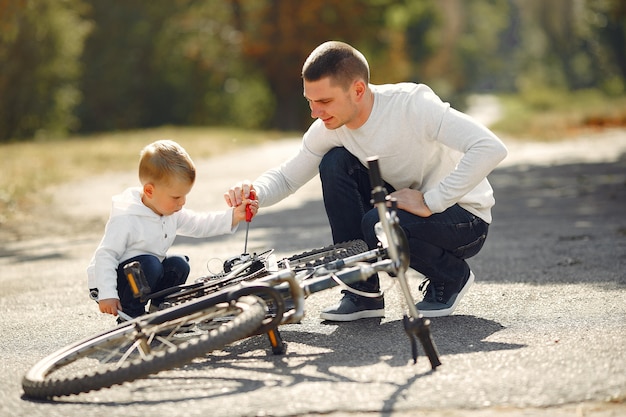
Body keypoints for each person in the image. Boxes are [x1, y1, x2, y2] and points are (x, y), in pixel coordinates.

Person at [224, 41, 508, 321]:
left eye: (324, 101)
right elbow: (287, 177)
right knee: (335, 162)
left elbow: (489, 147)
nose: (315, 112)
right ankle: (363, 294)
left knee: (377, 222)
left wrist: (431, 201)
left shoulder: (412, 105)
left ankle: (450, 277)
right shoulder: (330, 126)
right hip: (407, 210)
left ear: (358, 90)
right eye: (310, 101)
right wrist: (255, 193)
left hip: (465, 219)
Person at [88, 139, 258, 320]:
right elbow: (105, 255)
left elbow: (199, 223)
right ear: (150, 191)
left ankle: (160, 311)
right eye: (176, 197)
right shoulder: (126, 218)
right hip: (115, 283)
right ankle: (130, 316)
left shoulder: (169, 212)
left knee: (179, 263)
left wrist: (233, 216)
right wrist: (107, 293)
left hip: (144, 275)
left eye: (185, 196)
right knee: (151, 264)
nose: (182, 202)